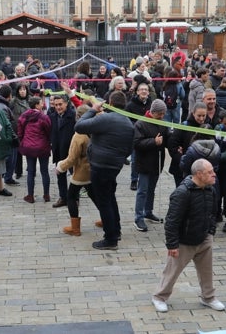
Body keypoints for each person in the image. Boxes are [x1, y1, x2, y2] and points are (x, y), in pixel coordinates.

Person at [151, 159, 225, 313]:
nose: (214, 174)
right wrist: (172, 245)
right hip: (184, 241)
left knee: (207, 271)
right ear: (199, 174)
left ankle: (208, 297)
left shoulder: (210, 189)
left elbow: (213, 213)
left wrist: (210, 233)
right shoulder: (182, 193)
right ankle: (159, 297)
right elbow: (172, 221)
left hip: (204, 238)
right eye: (210, 172)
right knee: (171, 272)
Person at [74, 91, 134, 250]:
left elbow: (79, 126)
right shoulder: (129, 123)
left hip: (100, 165)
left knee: (104, 202)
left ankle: (111, 238)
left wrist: (93, 109)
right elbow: (129, 149)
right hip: (114, 166)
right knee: (110, 198)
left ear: (110, 104)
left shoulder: (105, 118)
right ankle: (116, 230)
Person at [55, 105, 93, 236]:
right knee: (96, 195)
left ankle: (75, 228)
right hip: (94, 169)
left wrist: (60, 167)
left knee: (71, 196)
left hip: (82, 171)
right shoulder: (96, 129)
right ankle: (106, 219)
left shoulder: (79, 135)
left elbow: (72, 158)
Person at [132, 99, 168, 232]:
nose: (162, 116)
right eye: (160, 114)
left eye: (163, 114)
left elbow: (168, 140)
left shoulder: (162, 124)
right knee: (142, 191)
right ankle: (138, 217)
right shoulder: (140, 124)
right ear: (152, 112)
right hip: (144, 163)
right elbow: (137, 143)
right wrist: (154, 142)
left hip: (157, 163)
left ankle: (148, 211)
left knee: (152, 189)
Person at [17, 96, 52, 203]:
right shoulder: (43, 117)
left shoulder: (24, 116)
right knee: (44, 171)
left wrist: (23, 140)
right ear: (37, 105)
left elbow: (20, 132)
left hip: (29, 147)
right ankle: (46, 195)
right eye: (41, 103)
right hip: (42, 147)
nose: (43, 104)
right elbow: (49, 131)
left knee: (31, 172)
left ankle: (30, 196)